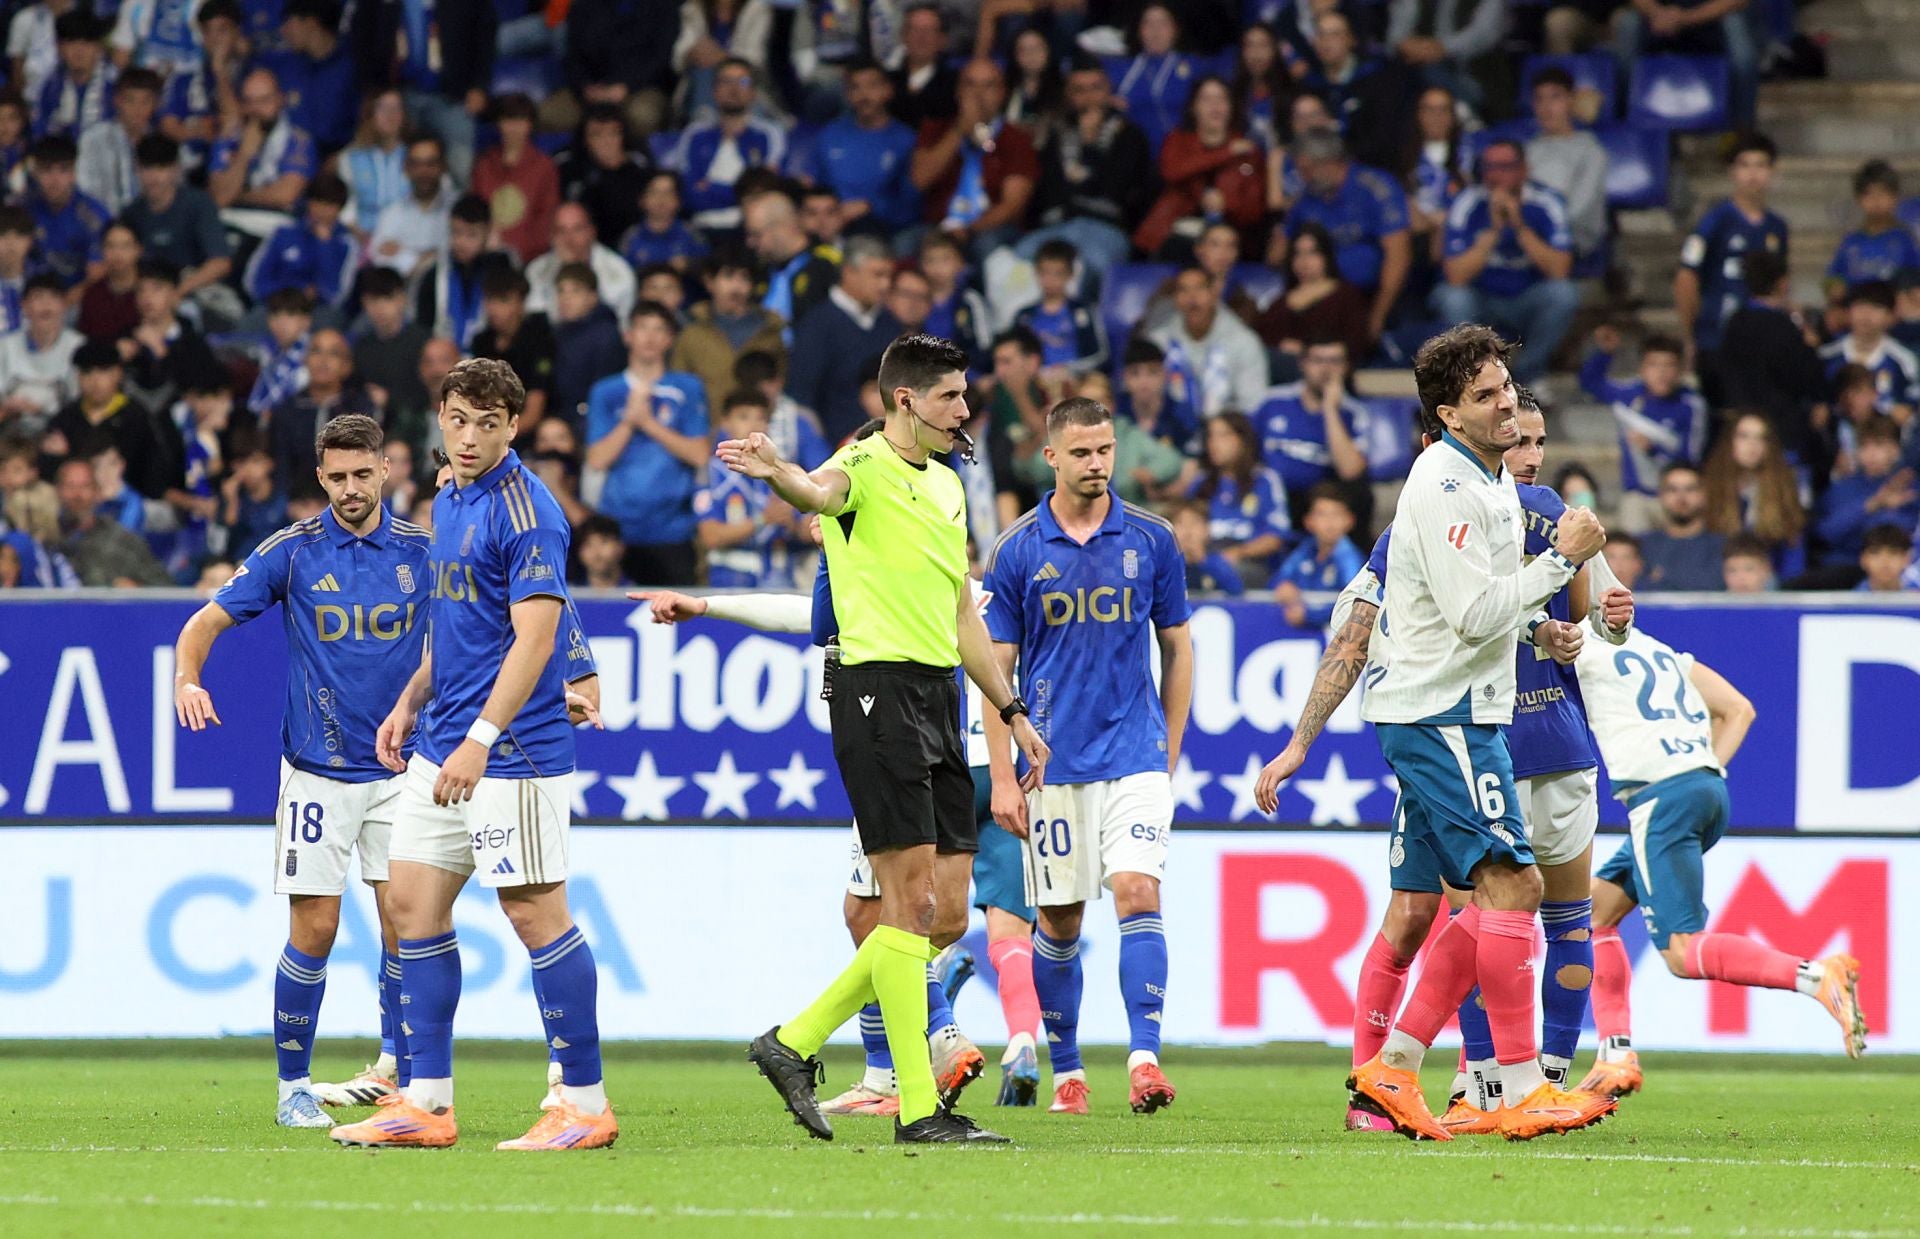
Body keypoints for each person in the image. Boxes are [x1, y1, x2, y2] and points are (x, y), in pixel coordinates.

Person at [721, 332, 1046, 1145]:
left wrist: (1011, 710)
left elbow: (963, 613)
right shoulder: (860, 465)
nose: (964, 409)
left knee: (945, 912)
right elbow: (816, 490)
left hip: (940, 696)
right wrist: (778, 472)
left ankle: (794, 1038)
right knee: (909, 905)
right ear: (905, 399)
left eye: (964, 394)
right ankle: (918, 1109)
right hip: (877, 693)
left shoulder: (947, 484)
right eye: (950, 397)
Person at [332, 358, 616, 1151]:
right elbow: (457, 620)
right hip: (441, 740)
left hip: (511, 750)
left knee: (533, 912)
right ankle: (426, 1100)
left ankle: (585, 1102)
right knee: (410, 905)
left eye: (488, 424)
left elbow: (535, 638)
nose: (469, 437)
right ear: (441, 417)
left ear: (513, 427)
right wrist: (411, 697)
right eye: (458, 419)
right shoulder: (448, 497)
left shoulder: (530, 511)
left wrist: (480, 739)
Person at [1341, 325, 1615, 1141]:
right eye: (1486, 395)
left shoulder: (1489, 480)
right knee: (1514, 888)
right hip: (1442, 711)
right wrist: (1560, 561)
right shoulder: (1448, 486)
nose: (1506, 406)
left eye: (1506, 389)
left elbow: (1487, 605)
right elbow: (1469, 614)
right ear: (1449, 414)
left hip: (1467, 708)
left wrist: (1543, 628)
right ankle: (1521, 1085)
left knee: (1489, 900)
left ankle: (1394, 1068)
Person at [171, 414, 431, 1128]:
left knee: (406, 924)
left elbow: (486, 628)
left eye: (362, 474)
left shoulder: (424, 551)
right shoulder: (292, 551)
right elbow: (203, 623)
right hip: (316, 771)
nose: (351, 488)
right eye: (337, 477)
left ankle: (402, 1075)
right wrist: (188, 680)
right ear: (321, 478)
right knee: (315, 929)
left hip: (401, 769)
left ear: (386, 469)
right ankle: (293, 1086)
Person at [979, 396, 1192, 1117]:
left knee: (1137, 889)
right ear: (1051, 457)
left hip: (1135, 752)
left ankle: (1144, 1060)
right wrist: (1002, 776)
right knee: (1061, 921)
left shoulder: (1153, 538)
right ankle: (1068, 1070)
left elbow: (1178, 646)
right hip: (1051, 764)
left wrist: (1169, 750)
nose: (1097, 463)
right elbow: (996, 669)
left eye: (1104, 450)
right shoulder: (1017, 549)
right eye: (1081, 452)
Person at [1575, 626, 1865, 1100]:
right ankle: (1615, 1054)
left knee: (1681, 951)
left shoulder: (1575, 645)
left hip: (1659, 798)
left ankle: (1815, 975)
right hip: (1707, 787)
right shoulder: (1661, 651)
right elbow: (1739, 709)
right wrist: (1701, 767)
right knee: (1595, 914)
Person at [584, 300, 712, 585]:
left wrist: (648, 423)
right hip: (618, 532)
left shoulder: (687, 388)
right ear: (628, 335)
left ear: (670, 339)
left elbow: (700, 454)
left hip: (674, 531)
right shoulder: (606, 391)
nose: (650, 337)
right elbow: (597, 459)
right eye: (643, 328)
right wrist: (629, 422)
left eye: (659, 330)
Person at [1434, 141, 1577, 385]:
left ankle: (1527, 375)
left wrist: (1519, 226)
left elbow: (1560, 270)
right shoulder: (1467, 202)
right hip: (1481, 297)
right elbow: (1455, 275)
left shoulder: (1547, 202)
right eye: (1489, 167)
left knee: (1563, 295)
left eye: (1505, 167)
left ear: (1524, 170)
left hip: (1526, 296)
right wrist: (1494, 231)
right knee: (1452, 297)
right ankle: (1475, 376)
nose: (1495, 175)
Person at [1015, 56, 1154, 289]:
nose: (1089, 97)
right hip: (1056, 227)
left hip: (1104, 228)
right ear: (1068, 95)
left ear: (1108, 90)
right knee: (1019, 260)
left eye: (1096, 88)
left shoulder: (1129, 135)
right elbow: (1049, 189)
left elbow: (1114, 190)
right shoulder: (1055, 134)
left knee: (1092, 266)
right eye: (1080, 90)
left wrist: (1090, 146)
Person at [1285, 128, 1411, 351]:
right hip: (1318, 294)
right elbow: (1282, 251)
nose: (1302, 177)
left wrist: (1377, 316)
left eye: (1306, 169)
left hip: (1369, 294)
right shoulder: (1307, 196)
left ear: (1329, 163)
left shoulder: (1376, 187)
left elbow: (1398, 255)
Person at [1578, 328, 1709, 534]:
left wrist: (1653, 450)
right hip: (1638, 496)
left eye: (1669, 365)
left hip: (1676, 496)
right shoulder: (1629, 396)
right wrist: (1605, 353)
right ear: (1642, 368)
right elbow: (1590, 383)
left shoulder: (1691, 405)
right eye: (1654, 364)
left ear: (1681, 370)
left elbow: (1691, 459)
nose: (1661, 373)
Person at [1676, 133, 1785, 374]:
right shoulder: (1714, 221)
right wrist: (1689, 334)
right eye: (1745, 165)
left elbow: (1781, 283)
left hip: (1760, 341)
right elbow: (1687, 276)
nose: (1752, 174)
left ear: (1772, 171)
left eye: (1760, 165)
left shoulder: (1777, 227)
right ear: (1732, 171)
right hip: (1716, 337)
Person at [909, 59, 1038, 262]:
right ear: (958, 91)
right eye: (970, 85)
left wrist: (967, 229)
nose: (978, 94)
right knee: (905, 243)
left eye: (989, 86)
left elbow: (1012, 206)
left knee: (987, 246)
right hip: (938, 226)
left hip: (990, 228)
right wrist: (959, 130)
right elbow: (920, 180)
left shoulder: (1017, 139)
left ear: (1002, 93)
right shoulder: (934, 130)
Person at [784, 236, 902, 442]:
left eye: (888, 276)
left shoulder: (890, 325)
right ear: (849, 272)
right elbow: (801, 397)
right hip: (833, 448)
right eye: (877, 275)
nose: (885, 284)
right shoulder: (817, 324)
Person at [1134, 74, 1265, 259]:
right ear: (1193, 107)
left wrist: (1227, 205)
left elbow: (1255, 209)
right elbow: (1172, 172)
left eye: (1221, 99)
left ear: (1231, 106)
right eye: (1206, 99)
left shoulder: (1248, 151)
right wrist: (1226, 152)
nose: (1215, 106)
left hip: (1230, 236)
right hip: (1174, 233)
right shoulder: (1177, 140)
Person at [1716, 250, 1827, 464]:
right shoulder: (1786, 327)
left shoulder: (1735, 323)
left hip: (1743, 422)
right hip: (1782, 427)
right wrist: (1811, 349)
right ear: (1783, 283)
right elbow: (1802, 374)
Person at [1248, 336, 1370, 523]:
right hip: (1271, 493)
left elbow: (1350, 471)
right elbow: (1243, 448)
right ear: (1303, 364)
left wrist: (1330, 409)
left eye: (1335, 361)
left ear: (1346, 367)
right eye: (1318, 360)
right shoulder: (1273, 401)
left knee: (1360, 494)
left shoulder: (1353, 413)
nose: (1326, 369)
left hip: (1321, 500)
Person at [668, 58, 788, 233]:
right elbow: (688, 193)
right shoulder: (695, 134)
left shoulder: (769, 134)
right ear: (714, 91)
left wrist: (710, 187)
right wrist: (742, 194)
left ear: (754, 92)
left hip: (753, 230)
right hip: (700, 229)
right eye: (726, 81)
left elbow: (768, 190)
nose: (734, 88)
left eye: (743, 81)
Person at [695, 388, 795, 588]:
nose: (754, 426)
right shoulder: (711, 473)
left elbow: (809, 528)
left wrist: (793, 523)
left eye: (761, 418)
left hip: (779, 577)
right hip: (729, 580)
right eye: (743, 417)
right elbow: (710, 536)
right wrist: (764, 519)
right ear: (725, 422)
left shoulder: (783, 470)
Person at [122, 134, 234, 307]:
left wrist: (177, 292)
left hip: (193, 294)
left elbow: (220, 263)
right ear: (137, 169)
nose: (153, 177)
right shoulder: (131, 213)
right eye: (147, 168)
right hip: (145, 297)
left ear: (175, 169)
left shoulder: (199, 205)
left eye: (161, 168)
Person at [1614, 0, 1756, 131]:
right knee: (1628, 23)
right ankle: (1623, 120)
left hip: (1711, 20)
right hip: (1658, 21)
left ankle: (1743, 129)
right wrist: (1657, 13)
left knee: (1741, 47)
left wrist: (1686, 18)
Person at [1147, 266, 1269, 419]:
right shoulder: (1157, 343)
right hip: (1169, 427)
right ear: (1175, 298)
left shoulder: (1244, 342)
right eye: (1183, 290)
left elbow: (1253, 405)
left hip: (1227, 427)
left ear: (1214, 293)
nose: (1192, 298)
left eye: (1199, 288)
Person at [1702, 410, 1807, 581]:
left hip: (1769, 585)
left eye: (1761, 438)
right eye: (1744, 436)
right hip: (1717, 582)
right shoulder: (1710, 488)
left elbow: (1793, 550)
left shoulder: (1784, 489)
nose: (1752, 445)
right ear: (1729, 442)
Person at [1189, 410, 1290, 585]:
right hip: (1205, 560)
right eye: (1211, 436)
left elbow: (1275, 538)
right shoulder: (1200, 483)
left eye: (1223, 436)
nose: (1214, 443)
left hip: (1248, 563)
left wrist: (1238, 553)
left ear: (1243, 440)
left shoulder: (1265, 480)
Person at [672, 248, 786, 405]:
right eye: (728, 276)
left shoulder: (771, 330)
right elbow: (678, 387)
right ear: (709, 282)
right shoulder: (690, 329)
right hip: (704, 421)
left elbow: (780, 387)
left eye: (745, 278)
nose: (736, 287)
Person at [1254, 221, 1372, 367]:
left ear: (1326, 256)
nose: (1304, 261)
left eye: (1312, 253)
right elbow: (1260, 342)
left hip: (1330, 371)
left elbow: (1356, 343)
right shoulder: (1280, 303)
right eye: (1298, 253)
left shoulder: (1347, 297)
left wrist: (1307, 351)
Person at [207, 66, 317, 219]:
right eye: (248, 101)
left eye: (264, 100)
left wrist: (237, 195)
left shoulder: (298, 140)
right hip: (229, 221)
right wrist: (244, 155)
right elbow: (219, 197)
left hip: (277, 222)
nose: (255, 109)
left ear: (280, 99)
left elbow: (285, 195)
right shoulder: (228, 138)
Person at [1524, 68, 1607, 262]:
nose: (1546, 107)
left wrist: (1537, 227)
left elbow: (1581, 208)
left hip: (1573, 238)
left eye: (1555, 97)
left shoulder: (1591, 151)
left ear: (1570, 100)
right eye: (1539, 99)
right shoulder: (1527, 150)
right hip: (1527, 233)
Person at [243, 170, 354, 313]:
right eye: (317, 203)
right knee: (254, 319)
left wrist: (325, 246)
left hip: (317, 311)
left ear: (339, 209)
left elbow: (335, 294)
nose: (321, 211)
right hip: (273, 304)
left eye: (329, 206)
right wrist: (290, 295)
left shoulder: (346, 242)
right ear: (309, 203)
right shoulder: (284, 231)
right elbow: (254, 280)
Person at [53, 452, 170, 585]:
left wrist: (137, 588)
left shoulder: (122, 540)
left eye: (85, 486)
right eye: (70, 486)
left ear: (97, 492)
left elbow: (163, 585)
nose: (77, 495)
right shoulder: (46, 540)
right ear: (57, 490)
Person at [470, 93, 559, 267]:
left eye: (520, 121)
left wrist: (519, 252)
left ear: (530, 125)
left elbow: (546, 219)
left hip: (530, 259)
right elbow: (475, 212)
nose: (514, 128)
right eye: (508, 120)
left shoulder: (544, 167)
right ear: (499, 124)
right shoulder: (484, 164)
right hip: (486, 254)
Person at [414, 194, 514, 349]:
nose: (461, 242)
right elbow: (423, 327)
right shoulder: (434, 273)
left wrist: (494, 256)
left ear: (488, 233)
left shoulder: (504, 268)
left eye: (471, 235)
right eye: (456, 232)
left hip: (491, 355)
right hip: (445, 357)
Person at [1814, 416, 1914, 567]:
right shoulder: (1842, 488)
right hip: (1845, 566)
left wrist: (1888, 512)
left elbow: (1907, 533)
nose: (1870, 453)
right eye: (1864, 446)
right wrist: (1873, 504)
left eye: (1879, 445)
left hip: (1898, 568)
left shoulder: (1909, 485)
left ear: (1896, 449)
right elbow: (1825, 533)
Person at [471, 268, 557, 441]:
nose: (493, 308)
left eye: (503, 301)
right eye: (490, 300)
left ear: (521, 303)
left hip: (528, 434)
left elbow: (534, 412)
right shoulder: (482, 342)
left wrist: (497, 437)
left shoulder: (538, 341)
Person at [261, 0, 356, 156]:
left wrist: (343, 158)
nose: (283, 30)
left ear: (311, 23)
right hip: (290, 159)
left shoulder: (352, 67)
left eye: (289, 22)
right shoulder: (284, 66)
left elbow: (365, 122)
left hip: (340, 159)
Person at [1819, 282, 1920, 421]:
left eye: (1875, 308)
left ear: (1891, 316)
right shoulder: (1827, 355)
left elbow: (1912, 401)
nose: (1865, 315)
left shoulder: (1904, 359)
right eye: (1859, 307)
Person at [1386, 0, 1506, 115]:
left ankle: (1469, 115)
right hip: (1418, 65)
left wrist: (1441, 48)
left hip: (1475, 71)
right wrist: (1406, 46)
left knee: (1432, 74)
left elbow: (1482, 35)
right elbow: (1396, 38)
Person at [1105, 3, 1195, 157]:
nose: (1155, 31)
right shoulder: (1120, 67)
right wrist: (1107, 101)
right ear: (1139, 31)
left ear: (1175, 30)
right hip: (1132, 154)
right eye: (1149, 24)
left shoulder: (1193, 66)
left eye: (1163, 23)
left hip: (1180, 153)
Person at [557, 104, 652, 247]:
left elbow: (644, 214)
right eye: (597, 135)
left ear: (623, 137)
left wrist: (614, 171)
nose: (606, 141)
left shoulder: (638, 164)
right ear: (585, 139)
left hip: (630, 246)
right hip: (577, 244)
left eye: (613, 134)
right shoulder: (567, 165)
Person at [743, 187, 837, 331]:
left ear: (780, 227)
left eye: (756, 234)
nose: (750, 242)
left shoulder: (827, 264)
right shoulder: (758, 271)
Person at [550, 262, 628, 434]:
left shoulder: (607, 336)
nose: (566, 298)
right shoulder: (558, 333)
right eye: (561, 291)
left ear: (593, 297)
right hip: (563, 419)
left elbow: (605, 392)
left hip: (591, 423)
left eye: (575, 291)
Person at [24, 133, 109, 291]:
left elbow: (97, 276)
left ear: (74, 173)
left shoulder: (94, 216)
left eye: (63, 170)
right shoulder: (25, 210)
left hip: (78, 299)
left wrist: (65, 301)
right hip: (32, 296)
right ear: (35, 172)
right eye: (46, 170)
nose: (55, 179)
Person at [1012, 239, 1107, 379]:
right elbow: (1014, 355)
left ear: (1070, 274)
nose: (1050, 280)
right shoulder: (1023, 316)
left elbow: (1100, 355)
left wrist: (1071, 370)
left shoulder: (1083, 312)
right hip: (1035, 381)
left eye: (1058, 274)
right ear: (1036, 272)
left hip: (1077, 379)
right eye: (1045, 272)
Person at [0, 273, 83, 434]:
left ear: (64, 305)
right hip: (9, 431)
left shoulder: (79, 347)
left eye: (54, 297)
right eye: (38, 297)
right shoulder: (5, 346)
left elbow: (80, 402)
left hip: (62, 432)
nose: (46, 304)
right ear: (24, 306)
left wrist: (41, 410)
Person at [1270, 482, 1363, 625]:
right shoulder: (1305, 550)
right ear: (1309, 521)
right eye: (1322, 515)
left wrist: (1309, 616)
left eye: (1336, 515)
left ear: (1349, 521)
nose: (1329, 523)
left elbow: (1355, 603)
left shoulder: (1350, 559)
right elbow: (1277, 579)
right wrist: (1283, 585)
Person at [1826, 161, 1920, 301]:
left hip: (1892, 308)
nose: (1876, 200)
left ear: (1895, 197)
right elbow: (1833, 278)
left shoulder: (1904, 240)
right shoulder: (1851, 242)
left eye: (1883, 193)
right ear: (1858, 199)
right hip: (1857, 307)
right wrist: (1835, 289)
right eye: (1869, 194)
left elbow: (1915, 280)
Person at [366, 134, 454, 279]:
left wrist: (403, 253)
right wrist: (427, 257)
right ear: (406, 168)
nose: (423, 171)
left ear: (443, 166)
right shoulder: (392, 212)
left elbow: (458, 256)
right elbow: (381, 261)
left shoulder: (457, 208)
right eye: (416, 164)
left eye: (430, 164)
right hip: (402, 291)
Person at [76, 65, 161, 214]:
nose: (138, 109)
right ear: (117, 101)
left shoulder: (161, 144)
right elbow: (84, 191)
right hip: (104, 220)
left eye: (145, 101)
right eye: (130, 100)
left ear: (155, 104)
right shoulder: (92, 139)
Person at [1636, 463, 1727, 591]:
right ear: (1661, 496)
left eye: (1690, 489)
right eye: (1672, 490)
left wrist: (1661, 578)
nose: (1681, 498)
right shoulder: (1642, 546)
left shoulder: (1723, 547)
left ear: (1703, 495)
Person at [33, 10, 112, 142]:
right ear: (59, 48)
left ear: (99, 47)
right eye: (71, 42)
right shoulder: (49, 89)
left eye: (86, 43)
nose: (79, 51)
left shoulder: (114, 88)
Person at [339, 89, 409, 234]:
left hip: (406, 237)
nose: (390, 115)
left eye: (396, 108)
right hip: (360, 236)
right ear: (370, 114)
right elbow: (345, 206)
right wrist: (360, 234)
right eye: (383, 108)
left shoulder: (415, 156)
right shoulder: (351, 157)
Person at [887, 4, 957, 130]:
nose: (921, 37)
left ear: (942, 39)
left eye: (929, 30)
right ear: (903, 36)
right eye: (914, 30)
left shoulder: (956, 85)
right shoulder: (885, 81)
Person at [77, 219, 140, 343]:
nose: (117, 253)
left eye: (125, 246)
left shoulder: (150, 292)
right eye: (110, 246)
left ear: (138, 250)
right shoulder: (92, 295)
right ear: (102, 250)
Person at [1169, 498, 1243, 596]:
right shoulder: (1164, 564)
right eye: (1180, 523)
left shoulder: (1216, 562)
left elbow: (1236, 589)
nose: (1188, 531)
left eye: (1194, 523)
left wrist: (1201, 559)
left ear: (1207, 530)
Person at [1855, 523, 1916, 593]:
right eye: (1875, 552)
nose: (1884, 560)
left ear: (1906, 559)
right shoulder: (1848, 599)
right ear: (1863, 559)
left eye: (1893, 552)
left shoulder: (1915, 596)